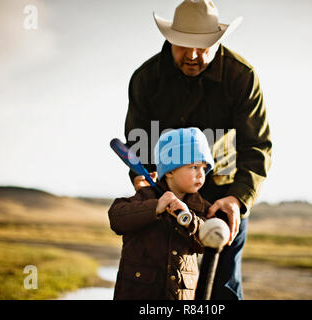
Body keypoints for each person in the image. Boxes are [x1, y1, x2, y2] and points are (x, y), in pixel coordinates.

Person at [124, 0, 272, 299]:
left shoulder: (241, 77)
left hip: (223, 195)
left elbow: (256, 145)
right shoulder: (146, 78)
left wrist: (238, 198)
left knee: (223, 289)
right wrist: (143, 182)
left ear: (217, 42)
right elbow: (137, 140)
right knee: (158, 284)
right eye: (183, 46)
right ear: (169, 39)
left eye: (202, 47)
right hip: (164, 194)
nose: (192, 56)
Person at [108, 127, 215, 300]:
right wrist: (155, 207)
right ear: (170, 171)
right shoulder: (145, 196)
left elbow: (208, 240)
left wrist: (189, 220)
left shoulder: (201, 207)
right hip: (138, 293)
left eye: (204, 168)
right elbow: (117, 218)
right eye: (194, 166)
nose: (201, 174)